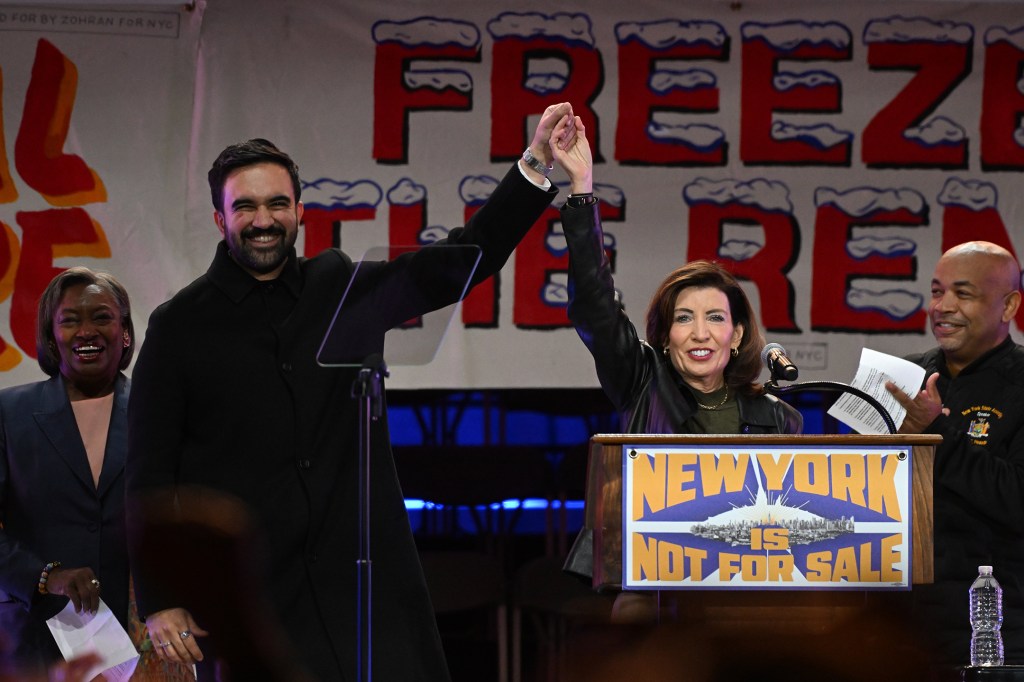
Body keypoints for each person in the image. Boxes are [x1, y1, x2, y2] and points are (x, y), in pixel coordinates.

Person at [126, 102, 583, 681]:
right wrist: (161, 597)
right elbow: (149, 472)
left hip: (366, 582)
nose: (262, 219)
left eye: (276, 204)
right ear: (220, 219)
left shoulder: (338, 284)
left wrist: (534, 163)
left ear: (299, 213)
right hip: (255, 595)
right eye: (244, 206)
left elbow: (459, 263)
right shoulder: (180, 324)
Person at [552, 117, 802, 619]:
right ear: (665, 336)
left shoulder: (777, 416)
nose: (701, 332)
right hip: (655, 585)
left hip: (744, 592)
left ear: (736, 334)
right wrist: (582, 191)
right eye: (684, 319)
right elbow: (597, 306)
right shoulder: (642, 379)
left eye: (715, 318)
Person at [886, 240, 1024, 664]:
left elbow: (1017, 499)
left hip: (997, 628)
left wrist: (935, 431)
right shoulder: (902, 377)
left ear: (1008, 306)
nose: (942, 307)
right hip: (897, 626)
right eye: (936, 291)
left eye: (963, 294)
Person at [0, 267, 134, 675]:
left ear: (125, 332)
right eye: (71, 320)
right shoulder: (9, 413)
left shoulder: (160, 412)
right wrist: (46, 576)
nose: (86, 331)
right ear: (50, 336)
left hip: (142, 640)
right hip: (36, 639)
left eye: (102, 317)